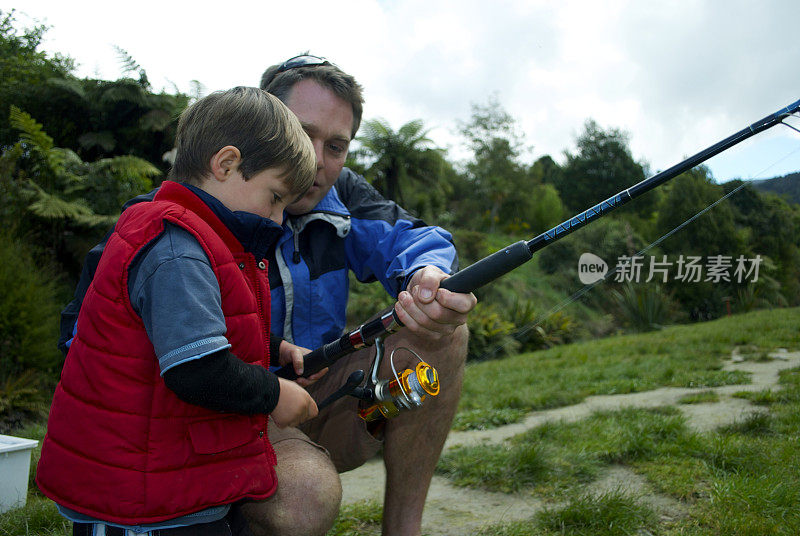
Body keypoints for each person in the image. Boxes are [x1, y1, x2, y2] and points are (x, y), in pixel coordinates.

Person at [59, 55, 478, 536]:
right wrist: (255, 385)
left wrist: (426, 276)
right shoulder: (170, 231)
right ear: (256, 136)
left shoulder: (342, 194)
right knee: (303, 500)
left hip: (315, 395)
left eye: (336, 146)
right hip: (221, 408)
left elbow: (415, 238)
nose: (318, 161)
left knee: (446, 332)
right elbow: (92, 345)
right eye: (304, 134)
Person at [38, 87, 319, 536]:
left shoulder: (202, 238)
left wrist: (275, 348)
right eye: (275, 197)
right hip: (135, 498)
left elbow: (199, 324)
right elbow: (198, 369)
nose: (278, 219)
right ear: (226, 164)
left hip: (170, 480)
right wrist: (274, 394)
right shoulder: (176, 246)